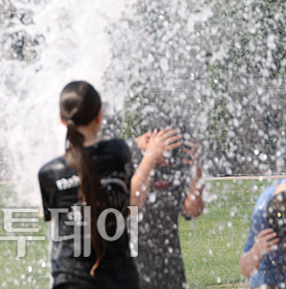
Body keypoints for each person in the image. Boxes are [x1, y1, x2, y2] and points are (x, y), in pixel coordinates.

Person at [38, 81, 179, 289]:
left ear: (61, 119)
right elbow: (132, 204)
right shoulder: (117, 153)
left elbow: (51, 216)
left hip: (70, 279)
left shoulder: (49, 173)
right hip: (117, 279)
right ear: (99, 115)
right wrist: (150, 158)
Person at [129, 117, 205, 289]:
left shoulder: (177, 163)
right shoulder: (130, 157)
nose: (169, 161)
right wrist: (150, 159)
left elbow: (192, 210)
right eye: (165, 152)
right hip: (133, 265)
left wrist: (197, 170)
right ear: (149, 140)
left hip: (170, 266)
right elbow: (130, 204)